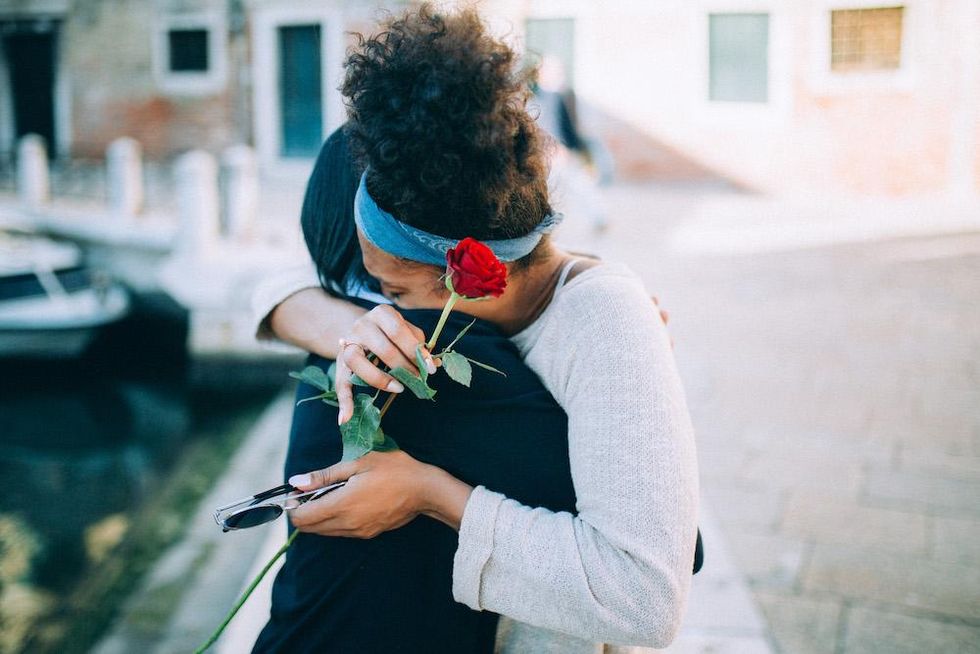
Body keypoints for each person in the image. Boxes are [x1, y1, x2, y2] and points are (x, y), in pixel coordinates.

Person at [253, 5, 698, 651]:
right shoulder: (437, 302)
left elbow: (646, 599)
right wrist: (343, 324)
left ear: (470, 274)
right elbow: (286, 281)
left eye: (393, 293)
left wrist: (431, 494)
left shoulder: (607, 322)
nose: (386, 312)